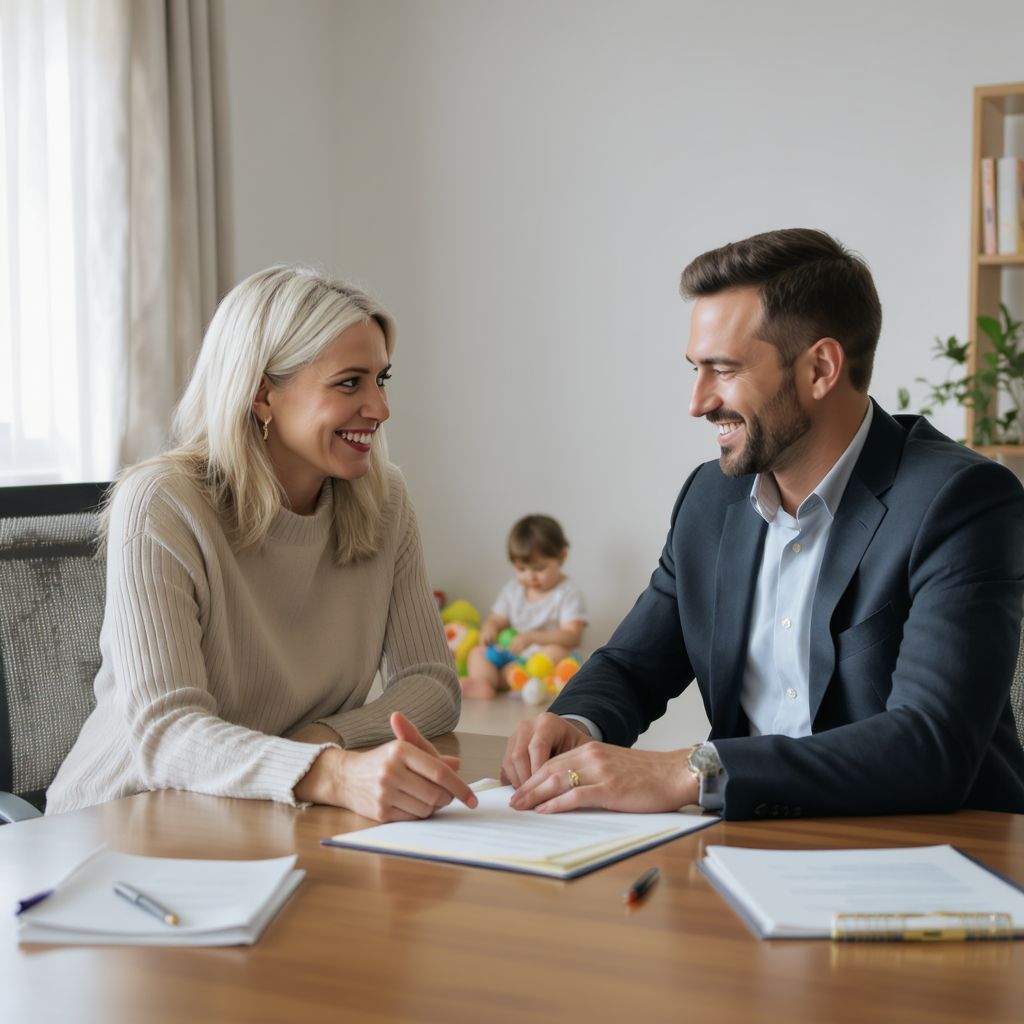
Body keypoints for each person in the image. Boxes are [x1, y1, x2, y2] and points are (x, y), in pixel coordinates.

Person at [502, 227, 1024, 820]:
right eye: (695, 369)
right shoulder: (709, 500)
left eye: (722, 370)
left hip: (921, 854)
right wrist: (572, 724)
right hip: (742, 847)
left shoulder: (959, 501)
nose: (697, 402)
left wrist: (689, 769)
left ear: (821, 369)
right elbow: (632, 665)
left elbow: (931, 745)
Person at [47, 266, 477, 822]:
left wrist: (321, 739)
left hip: (265, 813)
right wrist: (328, 769)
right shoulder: (162, 503)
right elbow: (165, 733)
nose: (380, 407)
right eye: (350, 383)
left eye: (381, 379)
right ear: (261, 394)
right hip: (124, 826)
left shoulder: (384, 500)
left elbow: (432, 685)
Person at [461, 515, 587, 699]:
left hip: (544, 657)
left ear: (562, 556)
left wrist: (532, 637)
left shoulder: (567, 593)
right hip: (514, 654)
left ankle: (515, 680)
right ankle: (484, 684)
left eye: (539, 568)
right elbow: (497, 619)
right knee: (477, 653)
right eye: (521, 569)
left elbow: (572, 636)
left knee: (557, 652)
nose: (530, 577)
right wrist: (490, 628)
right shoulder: (513, 590)